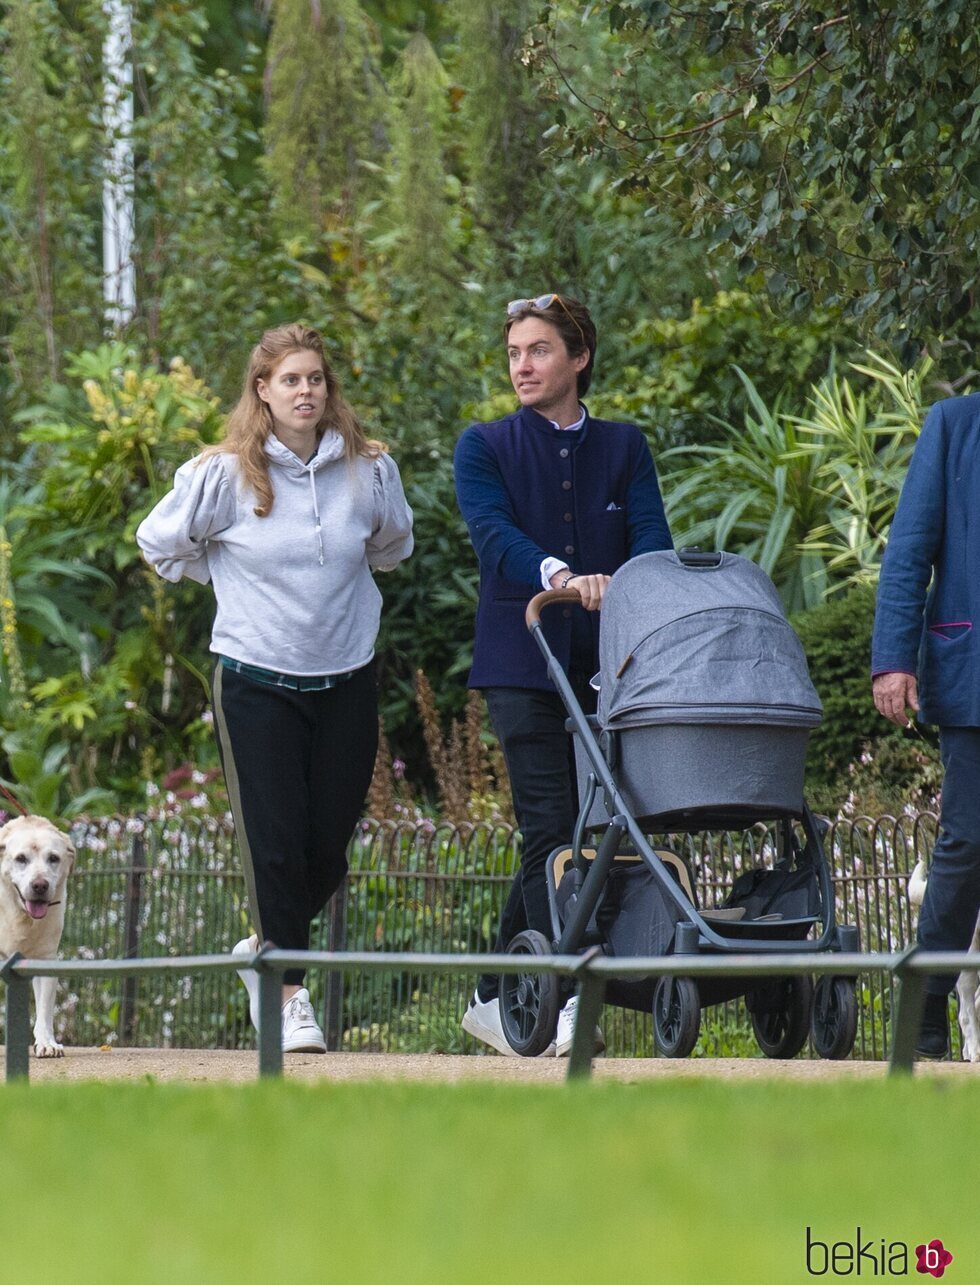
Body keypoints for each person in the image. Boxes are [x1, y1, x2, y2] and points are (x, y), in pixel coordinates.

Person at [137, 323, 413, 1052]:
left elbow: (391, 545)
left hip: (347, 676)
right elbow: (160, 543)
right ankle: (287, 993)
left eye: (315, 379)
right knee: (275, 841)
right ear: (262, 390)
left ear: (329, 389)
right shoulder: (224, 474)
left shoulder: (368, 470)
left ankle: (263, 943)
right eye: (290, 379)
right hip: (256, 679)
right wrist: (224, 578)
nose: (305, 391)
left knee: (327, 843)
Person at [454, 292, 673, 1056]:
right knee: (549, 830)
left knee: (606, 828)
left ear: (578, 358)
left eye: (539, 350)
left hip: (613, 665)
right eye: (515, 353)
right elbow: (492, 533)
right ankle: (568, 993)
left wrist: (630, 579)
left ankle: (493, 991)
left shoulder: (623, 445)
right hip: (524, 661)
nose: (522, 365)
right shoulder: (484, 445)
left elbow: (650, 534)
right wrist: (558, 571)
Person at [871, 390, 980, 1059]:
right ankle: (926, 1005)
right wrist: (892, 659)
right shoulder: (954, 423)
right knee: (967, 841)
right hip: (973, 671)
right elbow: (910, 548)